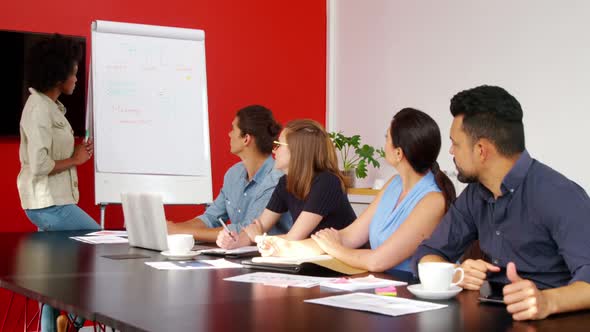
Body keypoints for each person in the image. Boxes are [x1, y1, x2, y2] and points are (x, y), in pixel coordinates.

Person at [415, 85, 590, 320]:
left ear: (481, 150)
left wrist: (546, 301)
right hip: (491, 316)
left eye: (455, 143)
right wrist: (455, 273)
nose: (451, 151)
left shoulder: (559, 195)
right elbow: (428, 253)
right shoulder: (475, 194)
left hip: (552, 322)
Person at [250, 109, 456, 274]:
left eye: (387, 137)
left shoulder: (432, 200)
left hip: (408, 293)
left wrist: (336, 249)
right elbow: (348, 236)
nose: (383, 142)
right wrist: (280, 247)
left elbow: (377, 261)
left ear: (399, 153)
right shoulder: (393, 184)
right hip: (381, 286)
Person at [17, 34, 99, 332]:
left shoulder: (51, 107)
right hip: (48, 203)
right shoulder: (38, 108)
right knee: (99, 242)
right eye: (74, 72)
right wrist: (76, 160)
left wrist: (78, 154)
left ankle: (54, 326)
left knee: (52, 276)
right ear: (57, 74)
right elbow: (39, 164)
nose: (77, 78)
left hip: (53, 200)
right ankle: (74, 320)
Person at [217, 119, 356, 249]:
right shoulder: (285, 182)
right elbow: (259, 226)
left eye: (278, 145)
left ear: (297, 151)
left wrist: (259, 238)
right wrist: (235, 241)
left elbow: (294, 238)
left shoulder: (327, 182)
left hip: (342, 263)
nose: (274, 150)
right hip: (312, 257)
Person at [167, 105, 292, 241]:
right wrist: (173, 229)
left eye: (233, 129)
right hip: (236, 254)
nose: (229, 134)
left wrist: (179, 231)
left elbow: (245, 230)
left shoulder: (276, 179)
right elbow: (210, 218)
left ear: (246, 138)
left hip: (266, 257)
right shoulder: (233, 174)